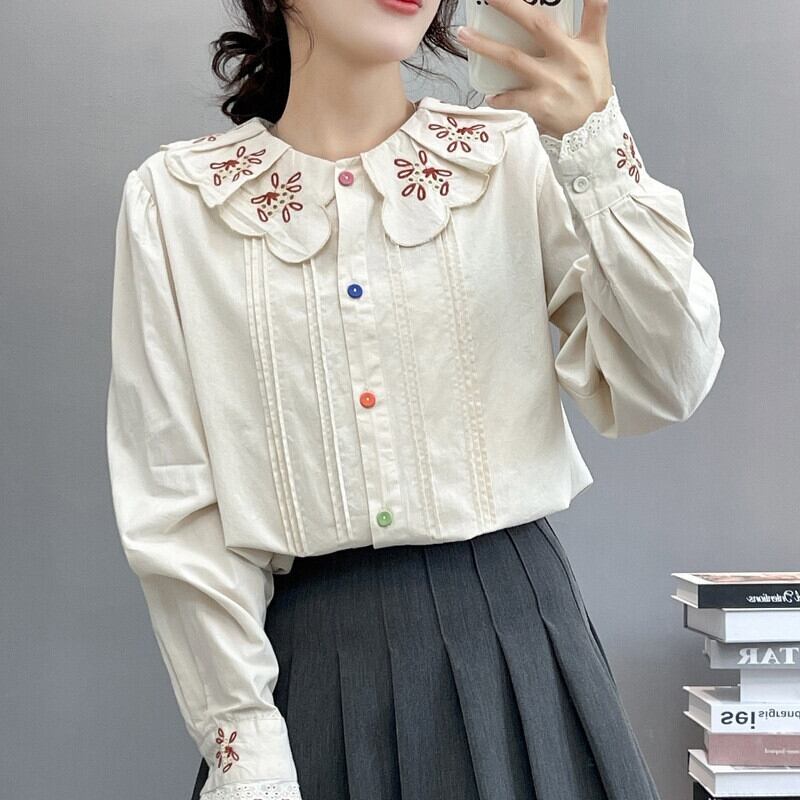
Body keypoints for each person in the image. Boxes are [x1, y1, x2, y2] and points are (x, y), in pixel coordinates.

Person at [105, 0, 724, 798]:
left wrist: (596, 147)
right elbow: (176, 510)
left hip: (516, 654)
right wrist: (245, 744)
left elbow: (667, 380)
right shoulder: (178, 204)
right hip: (310, 675)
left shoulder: (509, 158)